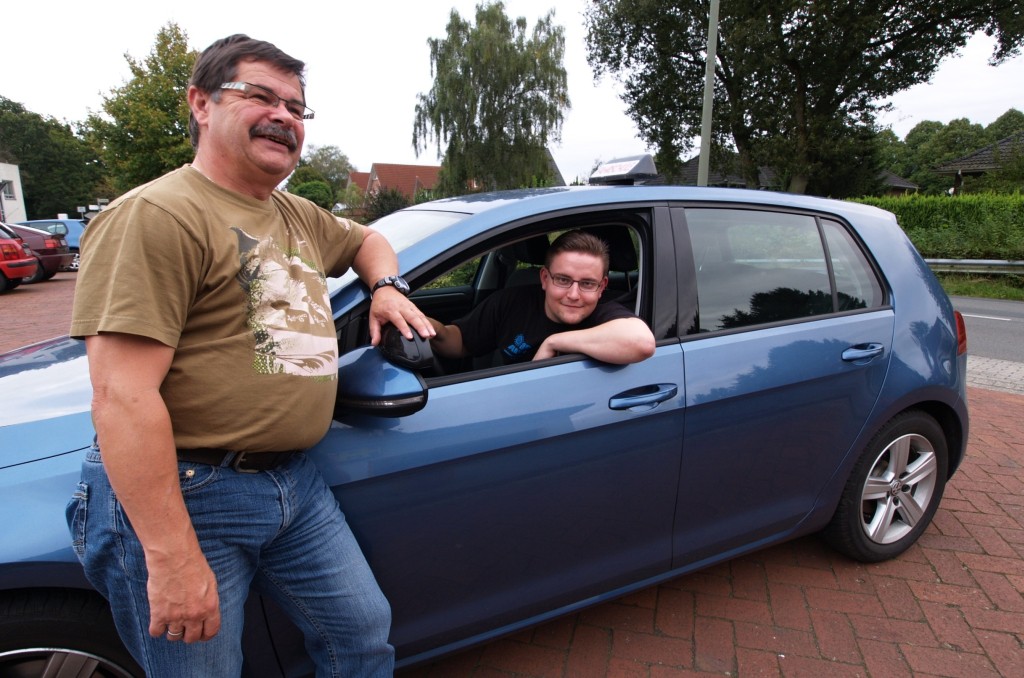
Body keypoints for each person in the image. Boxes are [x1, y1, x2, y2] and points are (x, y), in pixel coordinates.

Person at [66, 34, 433, 677]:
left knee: (361, 637)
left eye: (296, 108)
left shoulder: (294, 214)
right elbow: (121, 397)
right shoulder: (157, 215)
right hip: (193, 492)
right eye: (260, 96)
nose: (284, 117)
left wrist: (385, 287)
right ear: (201, 103)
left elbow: (368, 239)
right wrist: (172, 556)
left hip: (294, 484)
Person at [428, 230, 656, 365]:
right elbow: (458, 343)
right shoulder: (510, 302)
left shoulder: (604, 314)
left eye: (587, 283)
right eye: (563, 280)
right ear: (545, 279)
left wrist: (553, 342)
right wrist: (430, 328)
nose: (574, 295)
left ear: (601, 286)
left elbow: (642, 343)